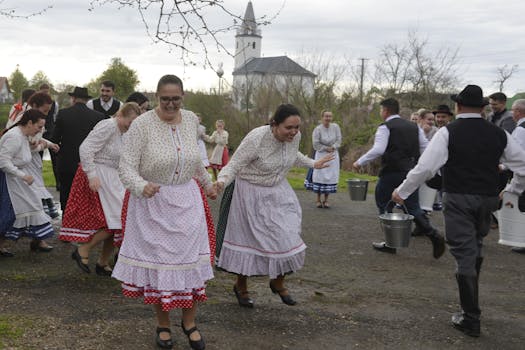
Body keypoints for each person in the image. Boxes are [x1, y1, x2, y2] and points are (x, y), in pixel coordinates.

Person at [391, 85, 525, 337]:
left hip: (458, 198)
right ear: (482, 107)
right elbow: (523, 165)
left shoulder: (448, 132)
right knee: (475, 245)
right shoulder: (499, 134)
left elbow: (425, 167)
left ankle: (471, 318)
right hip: (487, 199)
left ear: (458, 106)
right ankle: (470, 308)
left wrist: (403, 190)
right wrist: (513, 189)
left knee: (464, 252)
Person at [112, 75, 216, 350]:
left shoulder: (191, 119)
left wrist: (207, 184)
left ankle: (190, 322)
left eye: (176, 99)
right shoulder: (142, 125)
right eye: (165, 99)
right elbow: (126, 167)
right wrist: (140, 186)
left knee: (191, 264)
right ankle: (163, 324)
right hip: (153, 203)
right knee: (160, 267)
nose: (171, 104)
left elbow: (194, 161)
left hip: (187, 202)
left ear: (183, 97)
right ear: (157, 97)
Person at [215, 104, 334, 309]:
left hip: (277, 191)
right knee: (250, 241)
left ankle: (277, 281)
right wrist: (221, 182)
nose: (294, 132)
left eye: (297, 127)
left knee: (287, 236)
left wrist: (313, 163)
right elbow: (234, 164)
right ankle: (241, 285)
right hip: (248, 192)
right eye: (289, 127)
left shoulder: (294, 138)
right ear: (274, 124)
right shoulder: (256, 138)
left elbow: (292, 155)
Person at [352, 98, 445, 258]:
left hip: (390, 172)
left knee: (383, 203)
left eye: (381, 110)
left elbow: (379, 149)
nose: (381, 113)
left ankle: (390, 243)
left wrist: (359, 162)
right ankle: (434, 235)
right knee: (413, 207)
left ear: (386, 111)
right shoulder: (414, 127)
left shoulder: (385, 127)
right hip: (409, 173)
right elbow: (426, 148)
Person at [59, 102, 141, 275]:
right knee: (115, 221)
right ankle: (83, 249)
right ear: (121, 115)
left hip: (113, 179)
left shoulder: (123, 132)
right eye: (130, 121)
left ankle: (103, 262)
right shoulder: (109, 126)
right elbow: (86, 148)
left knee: (119, 222)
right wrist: (91, 175)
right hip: (99, 176)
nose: (131, 125)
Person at [0, 110, 55, 255]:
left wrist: (49, 144)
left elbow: (28, 152)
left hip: (15, 179)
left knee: (23, 209)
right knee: (10, 213)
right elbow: (3, 161)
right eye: (39, 126)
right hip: (7, 180)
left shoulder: (23, 135)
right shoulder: (14, 136)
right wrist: (23, 175)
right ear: (30, 123)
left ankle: (36, 240)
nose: (40, 130)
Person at [51, 87, 105, 213]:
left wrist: (60, 153)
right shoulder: (98, 116)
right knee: (88, 196)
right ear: (86, 100)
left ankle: (66, 221)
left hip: (67, 162)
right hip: (90, 163)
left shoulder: (63, 114)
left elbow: (55, 139)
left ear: (73, 98)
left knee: (66, 193)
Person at [26, 92, 60, 220]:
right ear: (34, 105)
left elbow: (39, 139)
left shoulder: (37, 119)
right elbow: (27, 148)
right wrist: (44, 145)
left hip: (33, 162)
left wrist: (50, 144)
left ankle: (37, 231)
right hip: (26, 163)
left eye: (48, 111)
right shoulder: (27, 120)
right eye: (45, 110)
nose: (46, 114)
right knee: (32, 193)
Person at [304, 110, 341, 208]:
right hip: (321, 154)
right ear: (322, 117)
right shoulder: (318, 129)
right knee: (320, 175)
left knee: (329, 177)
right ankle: (318, 199)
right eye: (326, 116)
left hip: (333, 155)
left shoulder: (336, 127)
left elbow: (339, 139)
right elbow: (315, 143)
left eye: (330, 116)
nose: (328, 118)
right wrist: (325, 148)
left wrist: (333, 147)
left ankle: (326, 200)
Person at [508, 99, 525, 254]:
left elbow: (517, 156)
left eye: (513, 111)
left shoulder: (520, 130)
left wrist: (515, 186)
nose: (512, 113)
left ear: (518, 112)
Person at [39, 83, 60, 191]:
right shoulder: (37, 104)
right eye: (43, 92)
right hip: (38, 133)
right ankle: (38, 184)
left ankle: (58, 183)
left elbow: (55, 117)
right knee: (38, 159)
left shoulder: (54, 104)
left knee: (55, 160)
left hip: (51, 133)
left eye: (47, 92)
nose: (45, 94)